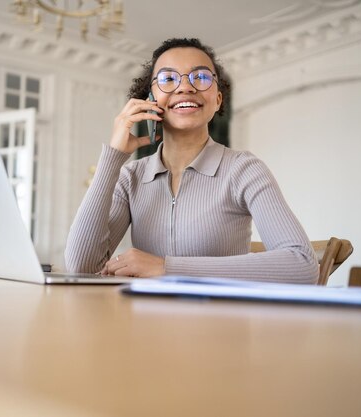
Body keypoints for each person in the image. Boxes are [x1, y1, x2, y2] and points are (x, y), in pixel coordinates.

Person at [65, 38, 319, 284]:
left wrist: (168, 269)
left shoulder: (244, 169)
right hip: (143, 324)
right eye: (168, 78)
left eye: (201, 77)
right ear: (149, 100)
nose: (186, 87)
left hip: (220, 324)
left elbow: (302, 265)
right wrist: (113, 156)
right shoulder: (131, 177)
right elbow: (82, 267)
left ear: (217, 99)